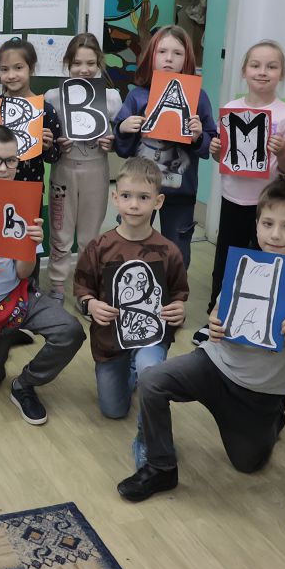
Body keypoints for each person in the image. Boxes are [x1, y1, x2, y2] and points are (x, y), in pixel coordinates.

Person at [117, 177, 285, 502]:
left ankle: (275, 415)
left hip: (260, 390)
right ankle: (161, 467)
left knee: (247, 464)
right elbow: (220, 310)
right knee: (153, 381)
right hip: (215, 364)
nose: (275, 235)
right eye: (267, 224)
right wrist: (215, 324)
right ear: (257, 225)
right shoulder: (246, 262)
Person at [0, 125, 86, 424]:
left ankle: (24, 384)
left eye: (11, 161)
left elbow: (24, 272)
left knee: (70, 331)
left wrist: (29, 245)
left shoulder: (21, 199)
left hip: (19, 297)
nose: (3, 168)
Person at [74, 157, 188, 468]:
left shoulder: (168, 251)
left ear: (158, 202)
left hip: (151, 338)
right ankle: (132, 371)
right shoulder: (99, 247)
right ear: (115, 197)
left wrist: (179, 311)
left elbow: (179, 294)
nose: (134, 205)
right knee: (113, 410)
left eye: (143, 197)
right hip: (110, 341)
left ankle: (148, 439)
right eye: (126, 196)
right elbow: (81, 288)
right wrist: (91, 304)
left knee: (151, 372)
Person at [196, 41, 285, 344]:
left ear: (282, 73)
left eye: (271, 66)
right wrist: (216, 149)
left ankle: (257, 322)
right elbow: (223, 157)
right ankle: (216, 318)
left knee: (263, 260)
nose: (262, 72)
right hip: (232, 198)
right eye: (255, 65)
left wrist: (281, 152)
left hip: (268, 206)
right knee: (226, 260)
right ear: (244, 71)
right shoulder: (231, 109)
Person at [115, 25, 217, 268]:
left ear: (187, 58)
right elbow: (122, 149)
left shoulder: (199, 97)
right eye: (162, 52)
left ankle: (172, 292)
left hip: (180, 192)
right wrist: (123, 129)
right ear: (151, 55)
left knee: (177, 254)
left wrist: (198, 137)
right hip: (139, 191)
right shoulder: (137, 96)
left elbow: (210, 146)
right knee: (131, 249)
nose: (169, 58)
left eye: (177, 53)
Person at [46, 33, 123, 300]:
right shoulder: (53, 96)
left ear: (99, 63)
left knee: (90, 237)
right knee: (60, 231)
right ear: (67, 63)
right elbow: (46, 138)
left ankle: (85, 289)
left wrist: (112, 142)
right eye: (77, 63)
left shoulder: (111, 97)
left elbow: (122, 138)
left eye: (91, 63)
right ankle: (57, 286)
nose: (84, 69)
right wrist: (57, 143)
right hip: (64, 171)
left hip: (96, 171)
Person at [0, 39, 62, 185]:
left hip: (31, 185)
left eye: (18, 68)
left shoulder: (45, 110)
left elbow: (54, 157)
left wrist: (48, 147)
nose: (11, 75)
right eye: (4, 69)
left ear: (31, 68)